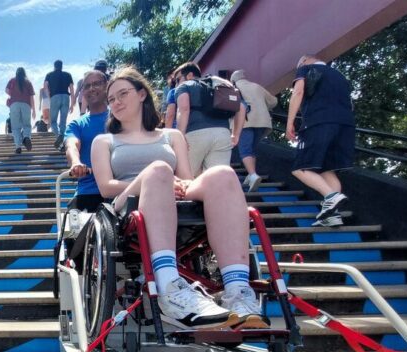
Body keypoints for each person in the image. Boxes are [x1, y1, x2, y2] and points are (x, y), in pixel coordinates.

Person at [91, 67, 264, 330]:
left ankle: (237, 291)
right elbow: (105, 187)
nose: (115, 102)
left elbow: (185, 177)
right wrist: (151, 178)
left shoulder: (172, 136)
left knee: (223, 174)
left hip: (172, 194)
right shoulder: (105, 140)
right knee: (159, 169)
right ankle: (169, 288)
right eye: (111, 99)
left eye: (122, 94)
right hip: (128, 202)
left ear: (141, 95)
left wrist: (175, 183)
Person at [287, 55, 355, 227]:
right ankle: (332, 215)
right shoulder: (339, 76)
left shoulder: (306, 69)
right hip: (345, 125)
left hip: (318, 122)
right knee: (327, 169)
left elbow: (298, 92)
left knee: (299, 168)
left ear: (304, 62)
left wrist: (290, 123)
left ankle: (331, 196)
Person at [175, 62, 246, 177]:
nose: (176, 84)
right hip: (223, 134)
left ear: (189, 75)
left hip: (194, 134)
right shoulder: (221, 84)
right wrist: (236, 134)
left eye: (177, 79)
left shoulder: (185, 86)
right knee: (217, 180)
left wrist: (180, 135)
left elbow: (183, 109)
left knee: (185, 179)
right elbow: (242, 107)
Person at [64, 69, 108, 212]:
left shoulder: (120, 118)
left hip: (120, 188)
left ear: (107, 86)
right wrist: (76, 162)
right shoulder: (76, 124)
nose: (91, 88)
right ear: (82, 92)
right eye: (87, 86)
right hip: (88, 191)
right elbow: (71, 145)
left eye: (96, 84)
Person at [230, 70, 278, 192]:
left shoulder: (233, 88)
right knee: (251, 150)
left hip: (245, 122)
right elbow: (273, 101)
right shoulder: (256, 86)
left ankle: (253, 175)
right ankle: (251, 174)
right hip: (262, 123)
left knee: (244, 150)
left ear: (233, 80)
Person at [43, 60, 75, 149]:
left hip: (54, 97)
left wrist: (49, 96)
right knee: (63, 121)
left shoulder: (49, 75)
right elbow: (72, 90)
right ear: (62, 66)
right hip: (65, 97)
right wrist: (72, 103)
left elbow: (45, 86)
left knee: (53, 121)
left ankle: (58, 137)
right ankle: (62, 137)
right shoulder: (68, 75)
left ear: (54, 66)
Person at [5, 67, 36, 155]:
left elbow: (6, 90)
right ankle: (26, 137)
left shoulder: (12, 80)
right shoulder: (28, 82)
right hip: (26, 105)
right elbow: (31, 97)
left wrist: (12, 94)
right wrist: (33, 110)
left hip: (14, 104)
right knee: (26, 125)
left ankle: (18, 146)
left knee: (15, 127)